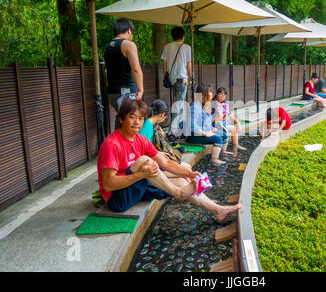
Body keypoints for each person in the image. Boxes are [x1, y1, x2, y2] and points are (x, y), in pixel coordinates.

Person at [97, 98, 241, 222]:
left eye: (140, 118)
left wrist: (189, 174)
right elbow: (108, 184)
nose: (137, 122)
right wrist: (139, 175)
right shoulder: (112, 144)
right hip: (118, 198)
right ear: (121, 119)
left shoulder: (140, 139)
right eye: (132, 117)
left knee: (182, 180)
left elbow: (165, 163)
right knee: (143, 160)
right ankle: (178, 194)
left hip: (136, 186)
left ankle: (218, 210)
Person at [104, 17, 144, 129]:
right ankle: (123, 146)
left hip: (112, 93)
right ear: (129, 30)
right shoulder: (128, 45)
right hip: (127, 92)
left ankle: (118, 145)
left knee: (123, 119)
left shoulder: (108, 47)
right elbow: (136, 69)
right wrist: (140, 90)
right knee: (131, 124)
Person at [139, 99, 190, 178]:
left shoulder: (150, 124)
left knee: (187, 168)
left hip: (153, 159)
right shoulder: (147, 126)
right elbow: (142, 150)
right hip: (148, 165)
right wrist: (157, 154)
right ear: (162, 115)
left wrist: (157, 153)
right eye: (166, 116)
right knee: (187, 170)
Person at [161, 26, 192, 142]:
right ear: (183, 36)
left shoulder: (167, 47)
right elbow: (188, 66)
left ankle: (180, 130)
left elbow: (164, 64)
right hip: (181, 80)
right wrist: (192, 78)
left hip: (172, 80)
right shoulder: (186, 47)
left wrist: (166, 76)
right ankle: (171, 132)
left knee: (180, 105)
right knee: (178, 106)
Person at [184, 84, 228, 165]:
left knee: (224, 135)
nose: (212, 94)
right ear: (204, 94)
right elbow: (192, 125)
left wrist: (211, 127)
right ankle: (214, 161)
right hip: (193, 136)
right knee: (218, 139)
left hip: (203, 131)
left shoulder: (204, 104)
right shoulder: (196, 106)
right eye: (210, 92)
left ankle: (221, 153)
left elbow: (203, 121)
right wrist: (205, 133)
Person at [212, 87, 246, 155]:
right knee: (233, 129)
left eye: (224, 95)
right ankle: (228, 150)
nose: (222, 97)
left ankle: (235, 147)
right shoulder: (212, 103)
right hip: (215, 124)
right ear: (216, 94)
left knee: (236, 126)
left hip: (223, 123)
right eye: (220, 94)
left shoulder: (224, 104)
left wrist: (238, 123)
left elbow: (230, 114)